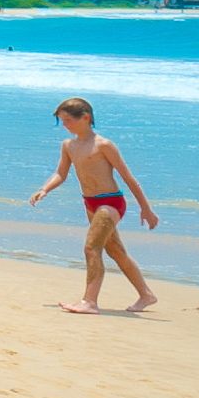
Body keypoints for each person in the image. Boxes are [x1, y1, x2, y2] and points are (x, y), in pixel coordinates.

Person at [28, 97, 157, 312]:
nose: (65, 126)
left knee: (91, 247)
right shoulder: (68, 146)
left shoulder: (103, 145)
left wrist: (146, 209)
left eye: (68, 120)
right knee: (116, 251)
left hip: (111, 201)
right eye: (62, 121)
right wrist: (45, 189)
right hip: (90, 203)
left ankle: (90, 301)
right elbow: (61, 173)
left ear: (86, 118)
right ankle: (146, 295)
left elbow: (128, 178)